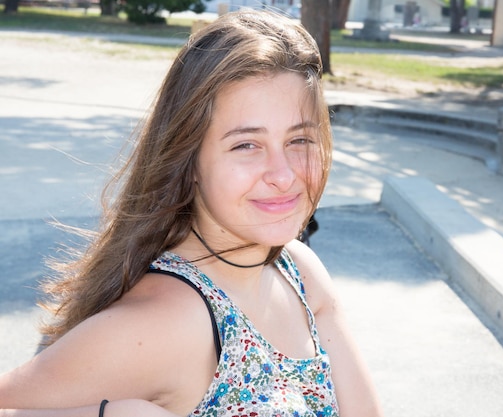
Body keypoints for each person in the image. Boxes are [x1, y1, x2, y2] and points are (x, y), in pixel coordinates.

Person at [0, 10, 383, 417]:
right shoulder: (168, 322)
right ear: (190, 161)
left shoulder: (297, 269)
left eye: (300, 139)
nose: (284, 174)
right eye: (246, 145)